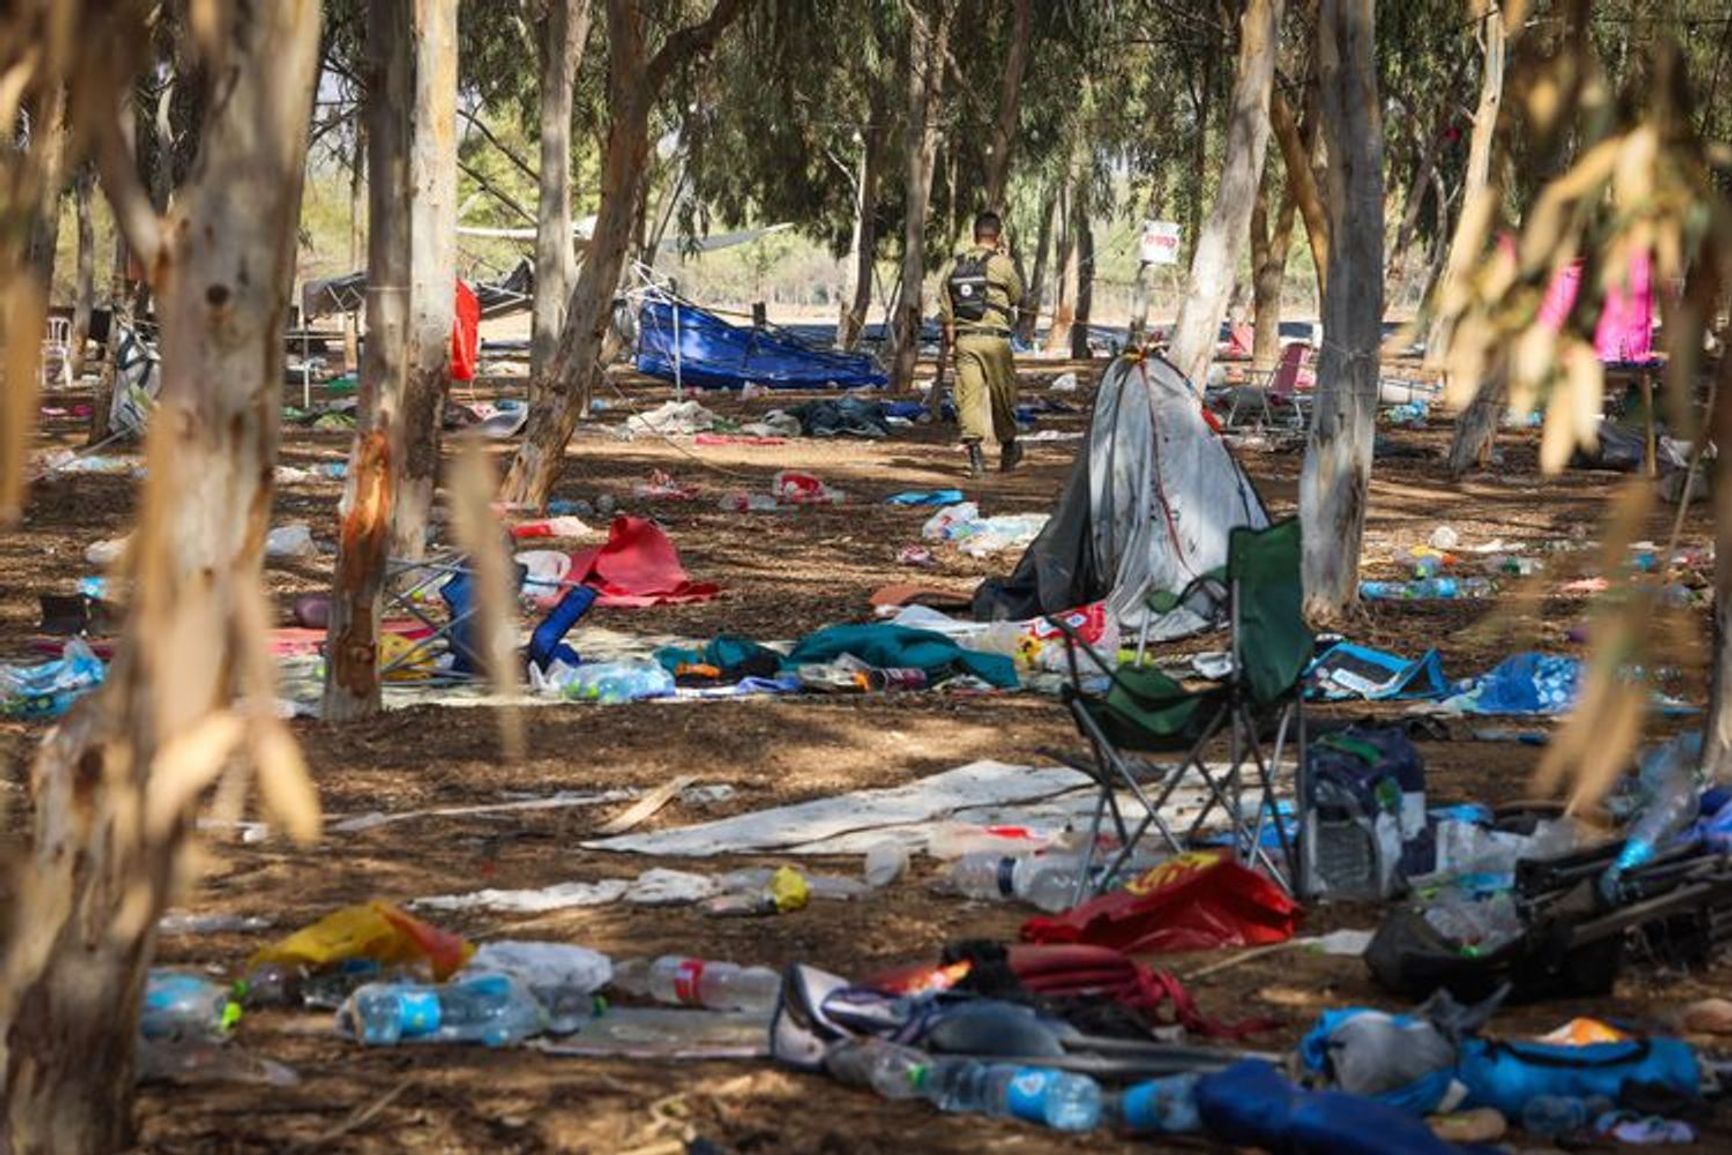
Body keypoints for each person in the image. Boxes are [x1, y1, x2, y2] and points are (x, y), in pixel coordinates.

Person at [938, 211, 1024, 478]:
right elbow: (1017, 296)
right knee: (1002, 394)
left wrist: (952, 345)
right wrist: (1005, 261)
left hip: (965, 341)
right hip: (995, 340)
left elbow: (946, 312)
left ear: (974, 235)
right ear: (997, 236)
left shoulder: (953, 266)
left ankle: (976, 457)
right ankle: (1008, 447)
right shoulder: (1002, 264)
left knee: (969, 397)